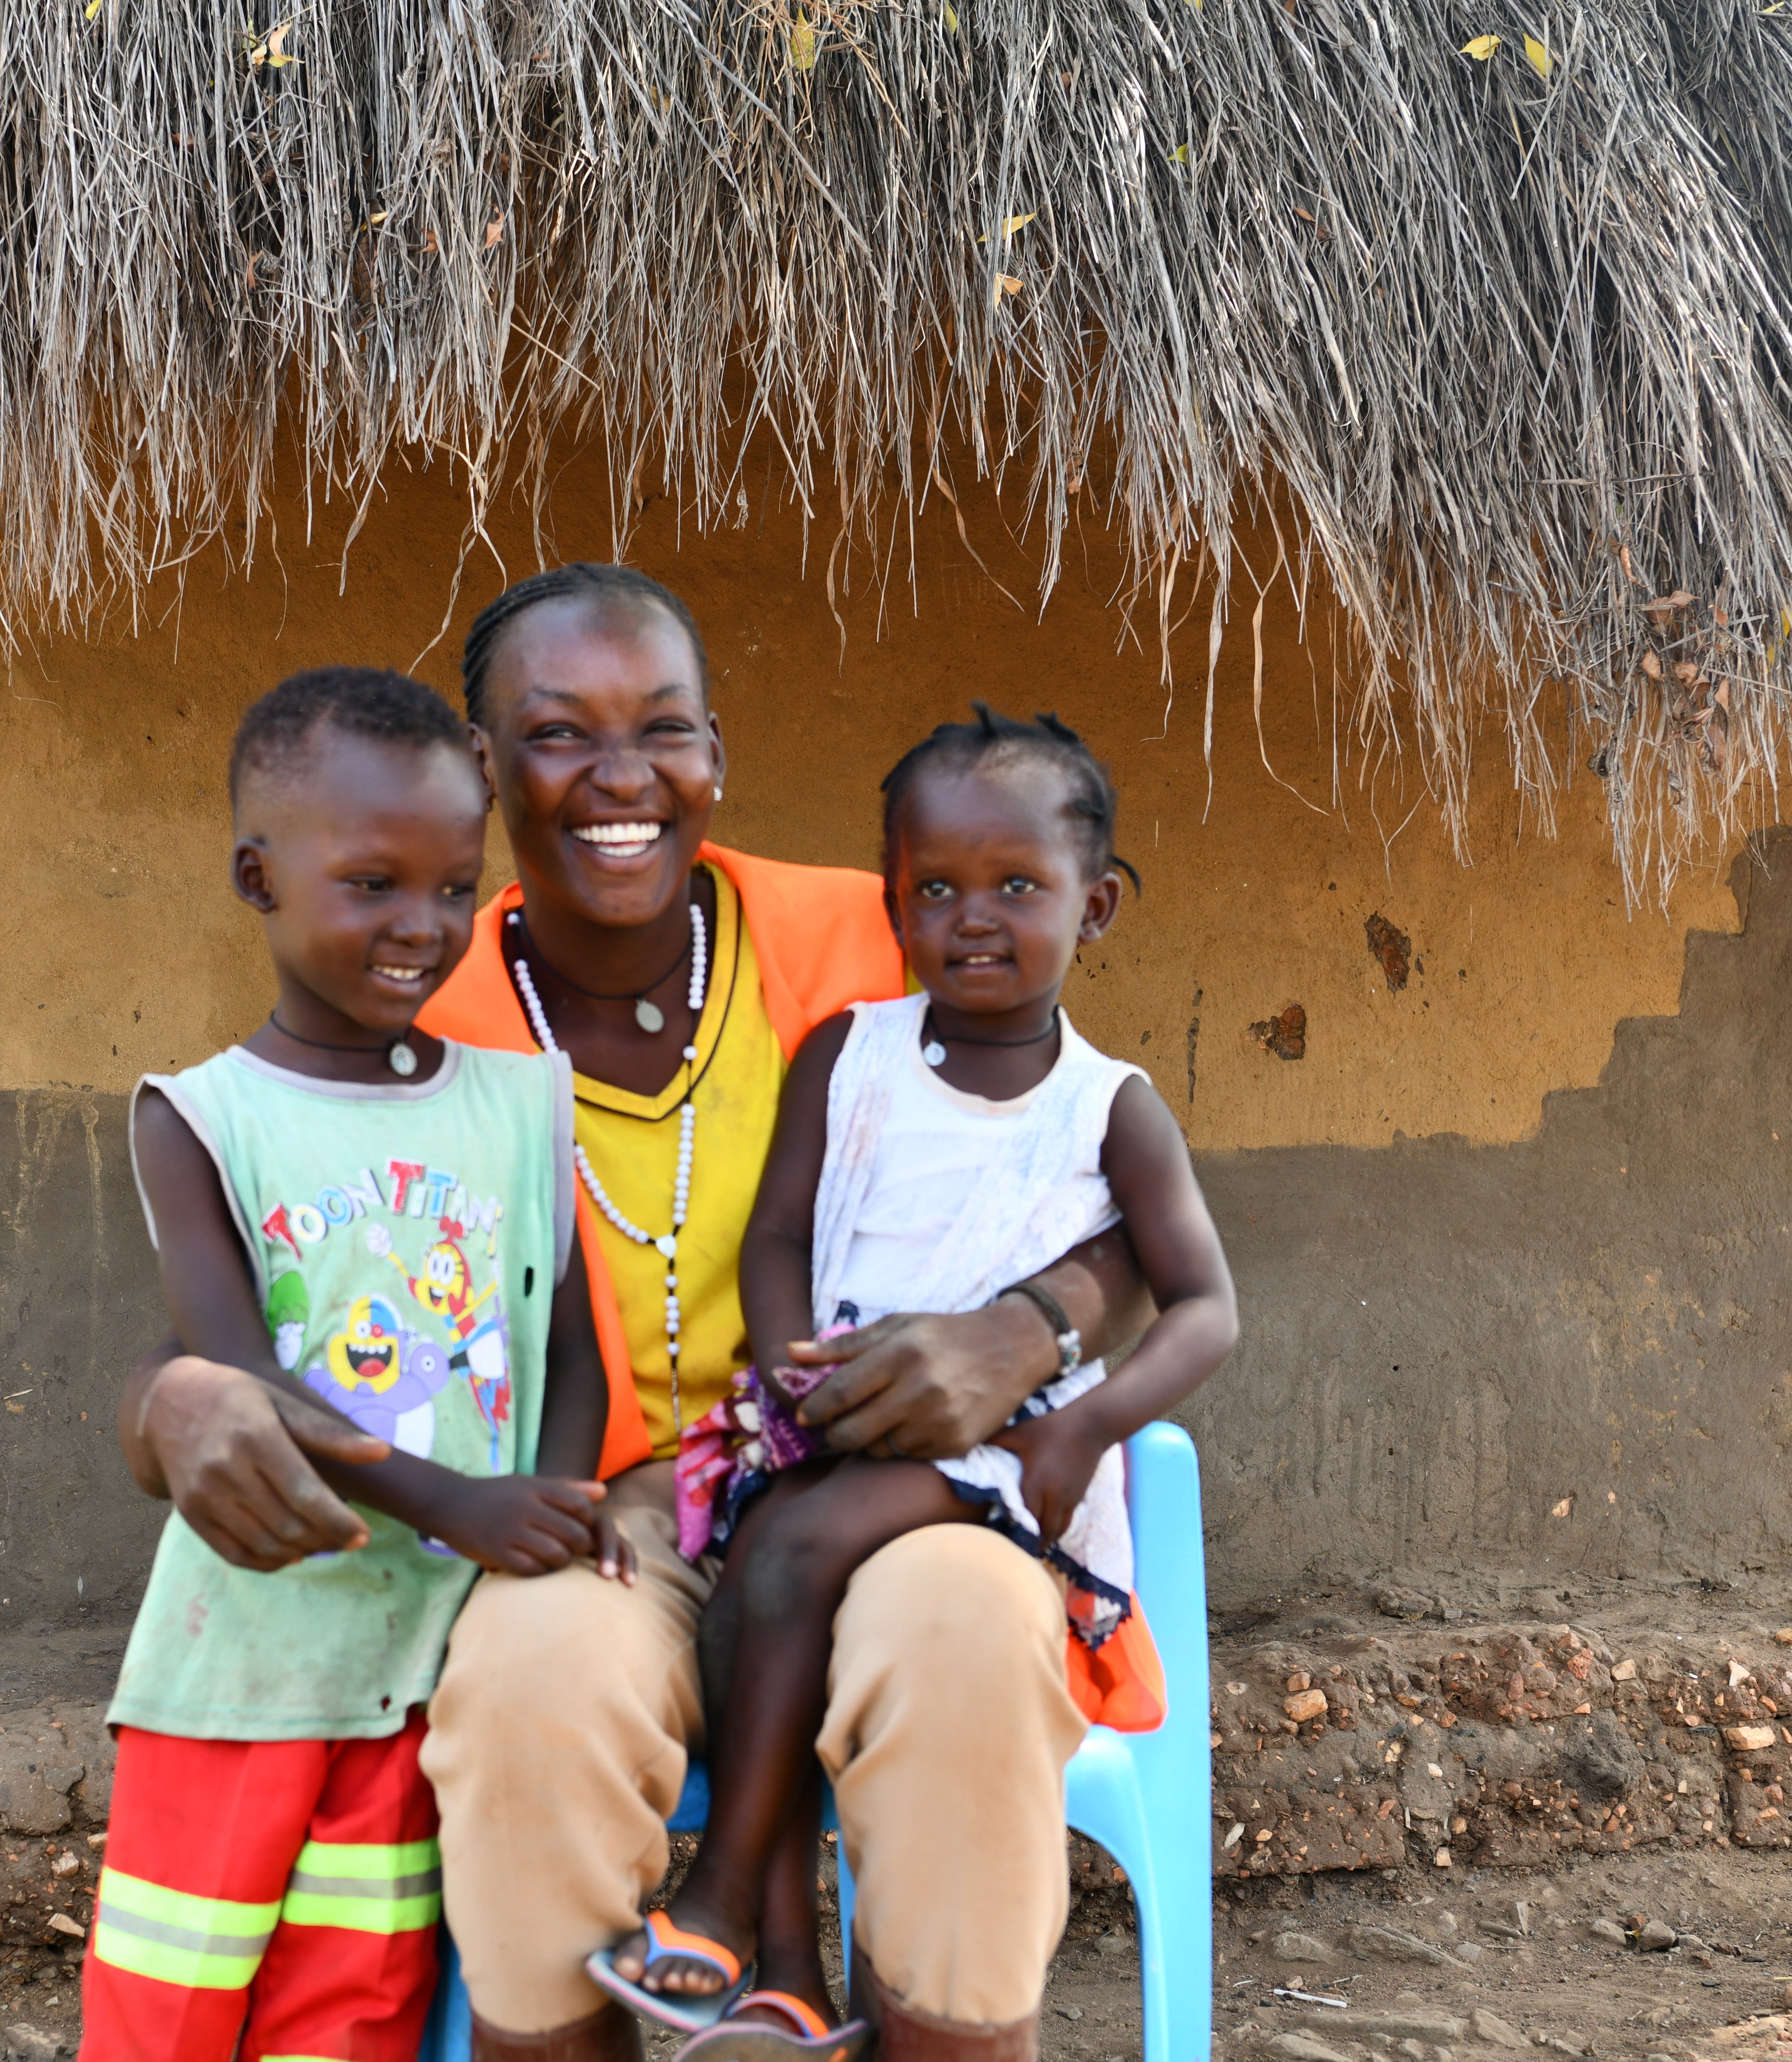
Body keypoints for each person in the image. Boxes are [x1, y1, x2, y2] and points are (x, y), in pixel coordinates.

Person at [116, 565, 1201, 2062]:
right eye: (561, 735)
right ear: (487, 771)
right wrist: (171, 1402)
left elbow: (1107, 1183)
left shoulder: (874, 935)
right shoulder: (410, 1001)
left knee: (964, 1635)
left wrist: (1031, 1328)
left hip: (891, 1495)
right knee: (529, 1684)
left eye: (665, 729)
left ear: (716, 754)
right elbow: (267, 1280)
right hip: (612, 1514)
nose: (623, 778)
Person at [588, 704, 1238, 2059]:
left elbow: (1206, 1311)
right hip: (838, 1426)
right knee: (758, 1557)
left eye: (1018, 887)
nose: (974, 919)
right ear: (893, 905)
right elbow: (778, 1233)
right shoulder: (854, 1054)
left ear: (1099, 904)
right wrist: (784, 1369)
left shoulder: (1107, 1108)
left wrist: (1096, 1425)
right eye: (934, 890)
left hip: (1012, 1458)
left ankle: (718, 1907)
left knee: (794, 1543)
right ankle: (783, 1975)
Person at [82, 667, 629, 2062]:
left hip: (419, 1673)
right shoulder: (202, 1120)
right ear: (259, 877)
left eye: (456, 888)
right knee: (170, 2010)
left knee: (355, 2013)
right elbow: (239, 1371)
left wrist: (551, 1513)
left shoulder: (520, 1107)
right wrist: (465, 1509)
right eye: (375, 884)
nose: (423, 927)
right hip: (245, 1671)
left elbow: (570, 1346)